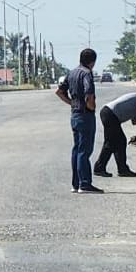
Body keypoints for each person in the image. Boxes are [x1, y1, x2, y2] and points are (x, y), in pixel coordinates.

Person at [56, 48, 101, 194]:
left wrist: (71, 103)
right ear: (92, 61)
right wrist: (91, 107)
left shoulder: (72, 72)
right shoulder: (87, 74)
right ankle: (85, 183)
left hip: (74, 114)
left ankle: (76, 184)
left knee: (76, 149)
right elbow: (89, 95)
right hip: (85, 115)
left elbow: (59, 92)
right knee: (84, 150)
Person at [93, 89, 136, 178]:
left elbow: (135, 122)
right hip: (110, 114)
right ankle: (100, 168)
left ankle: (122, 169)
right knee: (111, 143)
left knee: (119, 142)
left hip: (109, 114)